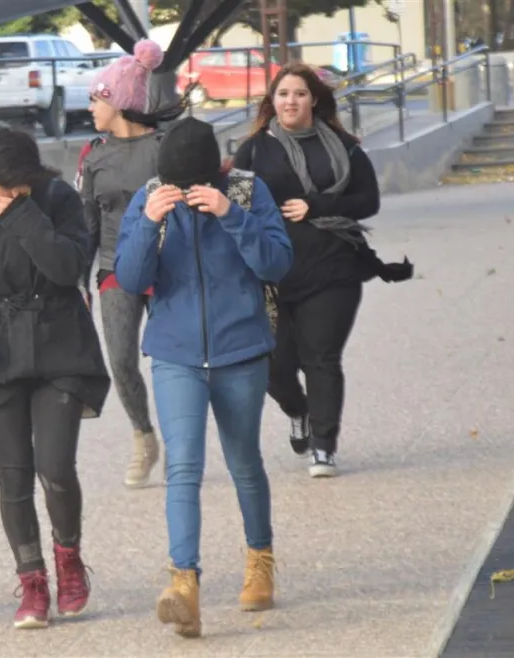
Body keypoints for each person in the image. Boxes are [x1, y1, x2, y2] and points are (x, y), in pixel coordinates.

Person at [115, 117, 293, 638]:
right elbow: (129, 279)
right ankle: (184, 585)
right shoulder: (150, 197)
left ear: (217, 170)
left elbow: (277, 263)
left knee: (244, 463)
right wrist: (148, 223)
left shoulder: (246, 190)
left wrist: (232, 215)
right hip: (176, 353)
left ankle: (260, 558)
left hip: (241, 349)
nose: (190, 191)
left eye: (199, 183)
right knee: (183, 466)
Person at [0, 122, 111, 630]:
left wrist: (22, 213)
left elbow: (66, 266)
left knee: (55, 467)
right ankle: (32, 581)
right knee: (12, 476)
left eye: (16, 184)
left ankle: (69, 558)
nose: (5, 193)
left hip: (60, 347)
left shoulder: (55, 199)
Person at [233, 62, 412, 478]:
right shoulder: (255, 149)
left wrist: (320, 206)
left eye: (298, 93)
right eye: (282, 94)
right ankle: (299, 411)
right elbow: (237, 206)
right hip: (272, 273)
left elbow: (368, 201)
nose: (290, 101)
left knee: (322, 357)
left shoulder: (344, 147)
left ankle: (324, 446)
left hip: (334, 268)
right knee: (273, 366)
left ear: (314, 99)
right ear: (272, 101)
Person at [77, 39, 186, 489]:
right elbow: (84, 222)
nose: (89, 107)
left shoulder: (166, 148)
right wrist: (77, 283)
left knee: (173, 359)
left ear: (117, 101)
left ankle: (181, 443)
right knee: (120, 358)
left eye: (95, 98)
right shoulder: (93, 154)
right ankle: (143, 435)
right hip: (113, 268)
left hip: (167, 266)